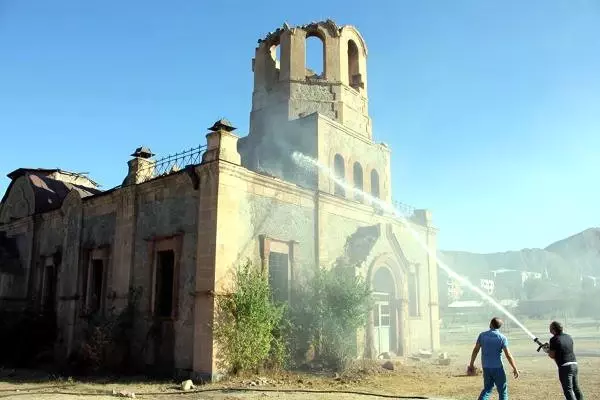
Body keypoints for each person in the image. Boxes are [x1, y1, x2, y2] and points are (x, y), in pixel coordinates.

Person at [468, 317, 519, 400]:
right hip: (498, 368)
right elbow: (508, 355)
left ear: (491, 324)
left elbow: (475, 350)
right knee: (502, 391)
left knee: (487, 389)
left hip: (486, 367)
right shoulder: (502, 338)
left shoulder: (482, 335)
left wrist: (471, 364)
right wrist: (514, 368)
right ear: (499, 326)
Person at [543, 321, 584, 400]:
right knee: (576, 388)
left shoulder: (554, 339)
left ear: (554, 329)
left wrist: (547, 350)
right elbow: (563, 349)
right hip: (574, 364)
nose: (549, 330)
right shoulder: (569, 337)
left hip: (565, 367)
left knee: (568, 390)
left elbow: (552, 355)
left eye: (550, 328)